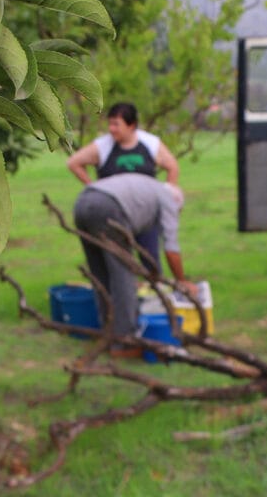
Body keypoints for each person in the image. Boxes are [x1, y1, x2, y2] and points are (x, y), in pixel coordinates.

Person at [72, 172, 197, 349]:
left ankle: (107, 333)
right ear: (178, 203)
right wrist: (182, 281)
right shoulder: (169, 200)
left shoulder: (148, 191)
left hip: (82, 203)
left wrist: (152, 274)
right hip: (109, 208)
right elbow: (171, 248)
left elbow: (145, 244)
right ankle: (124, 341)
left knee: (100, 273)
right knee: (123, 276)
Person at [66, 102, 181, 273]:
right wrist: (94, 187)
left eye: (116, 124)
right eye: (110, 123)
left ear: (131, 125)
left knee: (150, 256)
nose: (111, 129)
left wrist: (165, 194)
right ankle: (126, 290)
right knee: (118, 260)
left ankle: (155, 286)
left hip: (144, 210)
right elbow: (74, 163)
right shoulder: (103, 146)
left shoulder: (150, 143)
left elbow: (172, 166)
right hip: (116, 211)